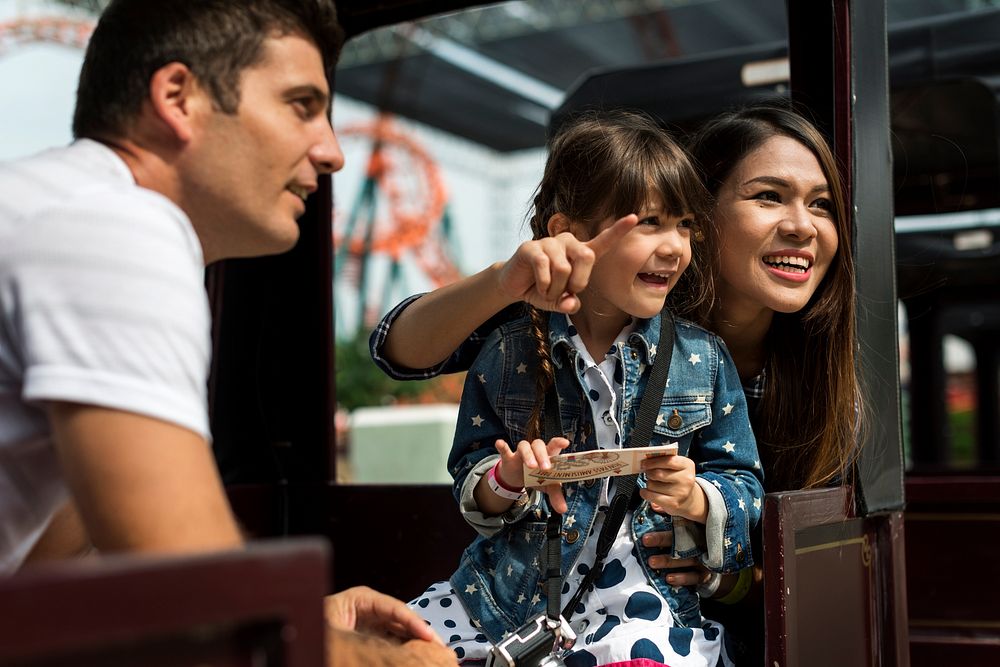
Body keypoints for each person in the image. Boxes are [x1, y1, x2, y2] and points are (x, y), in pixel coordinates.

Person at [0, 1, 455, 665]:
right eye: (302, 105)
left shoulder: (59, 206)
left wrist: (309, 623)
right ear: (178, 97)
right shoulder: (117, 228)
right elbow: (200, 603)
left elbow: (39, 581)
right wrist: (386, 661)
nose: (332, 152)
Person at [369, 104, 861, 661]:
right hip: (514, 600)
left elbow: (819, 559)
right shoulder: (530, 328)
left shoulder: (771, 367)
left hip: (656, 616)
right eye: (769, 195)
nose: (802, 225)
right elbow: (398, 353)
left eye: (822, 204)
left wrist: (720, 565)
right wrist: (504, 283)